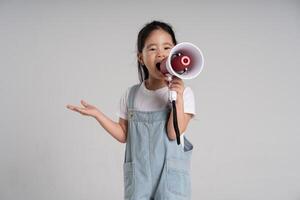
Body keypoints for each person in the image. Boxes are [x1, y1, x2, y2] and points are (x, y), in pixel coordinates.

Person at [66, 20, 196, 200]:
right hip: (139, 178)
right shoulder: (132, 95)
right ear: (141, 57)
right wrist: (98, 115)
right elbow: (124, 134)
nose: (161, 54)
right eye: (152, 49)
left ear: (175, 52)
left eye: (167, 48)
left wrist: (177, 98)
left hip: (170, 178)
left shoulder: (184, 94)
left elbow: (173, 134)